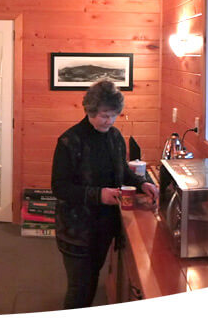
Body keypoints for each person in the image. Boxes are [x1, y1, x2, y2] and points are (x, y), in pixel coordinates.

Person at [50, 79, 158, 309]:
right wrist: (99, 195)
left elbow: (122, 172)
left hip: (104, 226)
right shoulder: (69, 141)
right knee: (80, 289)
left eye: (113, 115)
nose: (108, 120)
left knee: (92, 280)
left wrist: (142, 183)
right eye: (103, 115)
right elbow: (59, 187)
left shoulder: (115, 137)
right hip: (76, 229)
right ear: (90, 110)